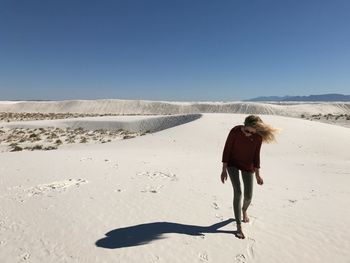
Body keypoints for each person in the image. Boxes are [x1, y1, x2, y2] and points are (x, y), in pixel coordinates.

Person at [221, 115, 277, 239]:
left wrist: (258, 174)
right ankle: (238, 226)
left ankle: (244, 210)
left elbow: (256, 156)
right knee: (238, 192)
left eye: (252, 132)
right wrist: (224, 170)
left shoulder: (258, 138)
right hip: (232, 163)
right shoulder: (235, 131)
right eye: (247, 131)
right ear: (244, 125)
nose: (248, 134)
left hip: (248, 165)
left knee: (248, 195)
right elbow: (227, 150)